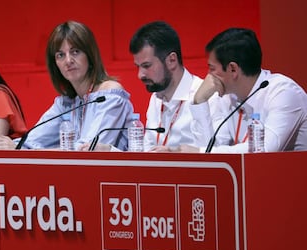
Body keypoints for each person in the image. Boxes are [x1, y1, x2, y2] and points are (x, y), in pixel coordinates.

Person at [0, 20, 134, 150]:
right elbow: (32, 140)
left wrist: (26, 149)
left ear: (90, 55)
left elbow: (89, 149)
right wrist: (10, 145)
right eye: (60, 55)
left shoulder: (110, 95)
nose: (68, 61)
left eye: (75, 52)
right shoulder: (66, 103)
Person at [175, 28, 307, 153]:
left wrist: (202, 152)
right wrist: (200, 101)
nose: (208, 76)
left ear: (233, 69)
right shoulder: (227, 96)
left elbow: (263, 151)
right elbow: (210, 155)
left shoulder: (284, 93)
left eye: (212, 68)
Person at [81, 20, 203, 152]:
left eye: (146, 66)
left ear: (172, 60)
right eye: (138, 67)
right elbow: (145, 155)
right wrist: (110, 150)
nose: (140, 75)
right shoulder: (156, 98)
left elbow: (212, 153)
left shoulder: (204, 96)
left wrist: (175, 154)